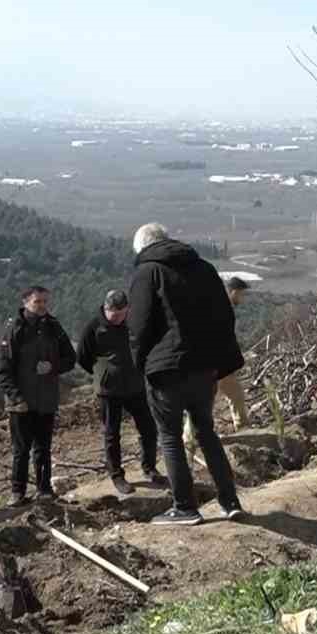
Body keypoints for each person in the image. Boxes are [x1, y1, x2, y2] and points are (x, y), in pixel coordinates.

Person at [128, 222, 246, 526]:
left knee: (170, 436)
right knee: (206, 431)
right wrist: (218, 360)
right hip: (204, 367)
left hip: (166, 369)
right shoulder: (204, 268)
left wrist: (140, 365)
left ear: (142, 247)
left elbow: (138, 326)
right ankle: (230, 501)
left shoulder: (147, 272)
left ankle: (184, 507)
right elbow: (225, 316)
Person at [77, 290, 166, 496]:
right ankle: (117, 475)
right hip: (109, 390)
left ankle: (150, 468)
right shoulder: (94, 327)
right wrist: (103, 373)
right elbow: (82, 357)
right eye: (114, 314)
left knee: (148, 428)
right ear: (106, 308)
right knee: (112, 433)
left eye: (123, 314)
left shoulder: (133, 323)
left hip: (135, 386)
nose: (118, 318)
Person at [0, 285, 76, 504]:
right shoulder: (14, 329)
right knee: (21, 450)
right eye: (37, 302)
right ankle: (17, 493)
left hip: (46, 399)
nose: (42, 306)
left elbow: (70, 358)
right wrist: (16, 398)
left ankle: (44, 490)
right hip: (21, 402)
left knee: (43, 448)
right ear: (25, 303)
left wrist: (52, 366)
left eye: (44, 301)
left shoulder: (53, 326)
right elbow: (3, 370)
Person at [216, 277, 253, 430]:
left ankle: (242, 427)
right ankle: (190, 437)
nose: (243, 299)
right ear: (234, 292)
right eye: (242, 294)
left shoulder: (221, 306)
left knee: (235, 393)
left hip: (217, 363)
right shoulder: (222, 309)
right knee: (203, 402)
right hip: (215, 363)